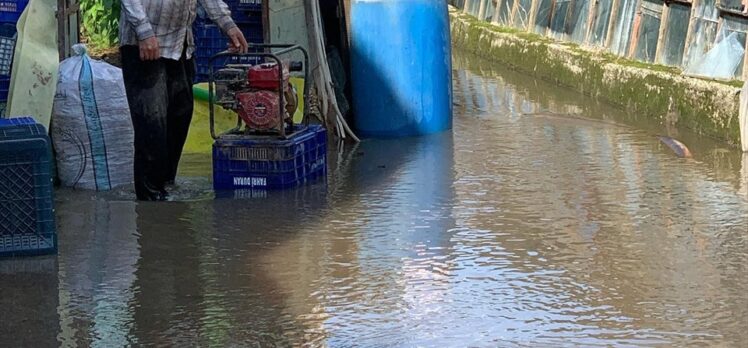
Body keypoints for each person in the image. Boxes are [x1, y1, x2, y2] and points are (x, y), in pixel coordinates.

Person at [119, 0, 249, 201]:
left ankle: (166, 186)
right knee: (152, 123)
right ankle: (150, 201)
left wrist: (227, 24)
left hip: (179, 43)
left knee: (181, 113)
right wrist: (143, 31)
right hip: (144, 41)